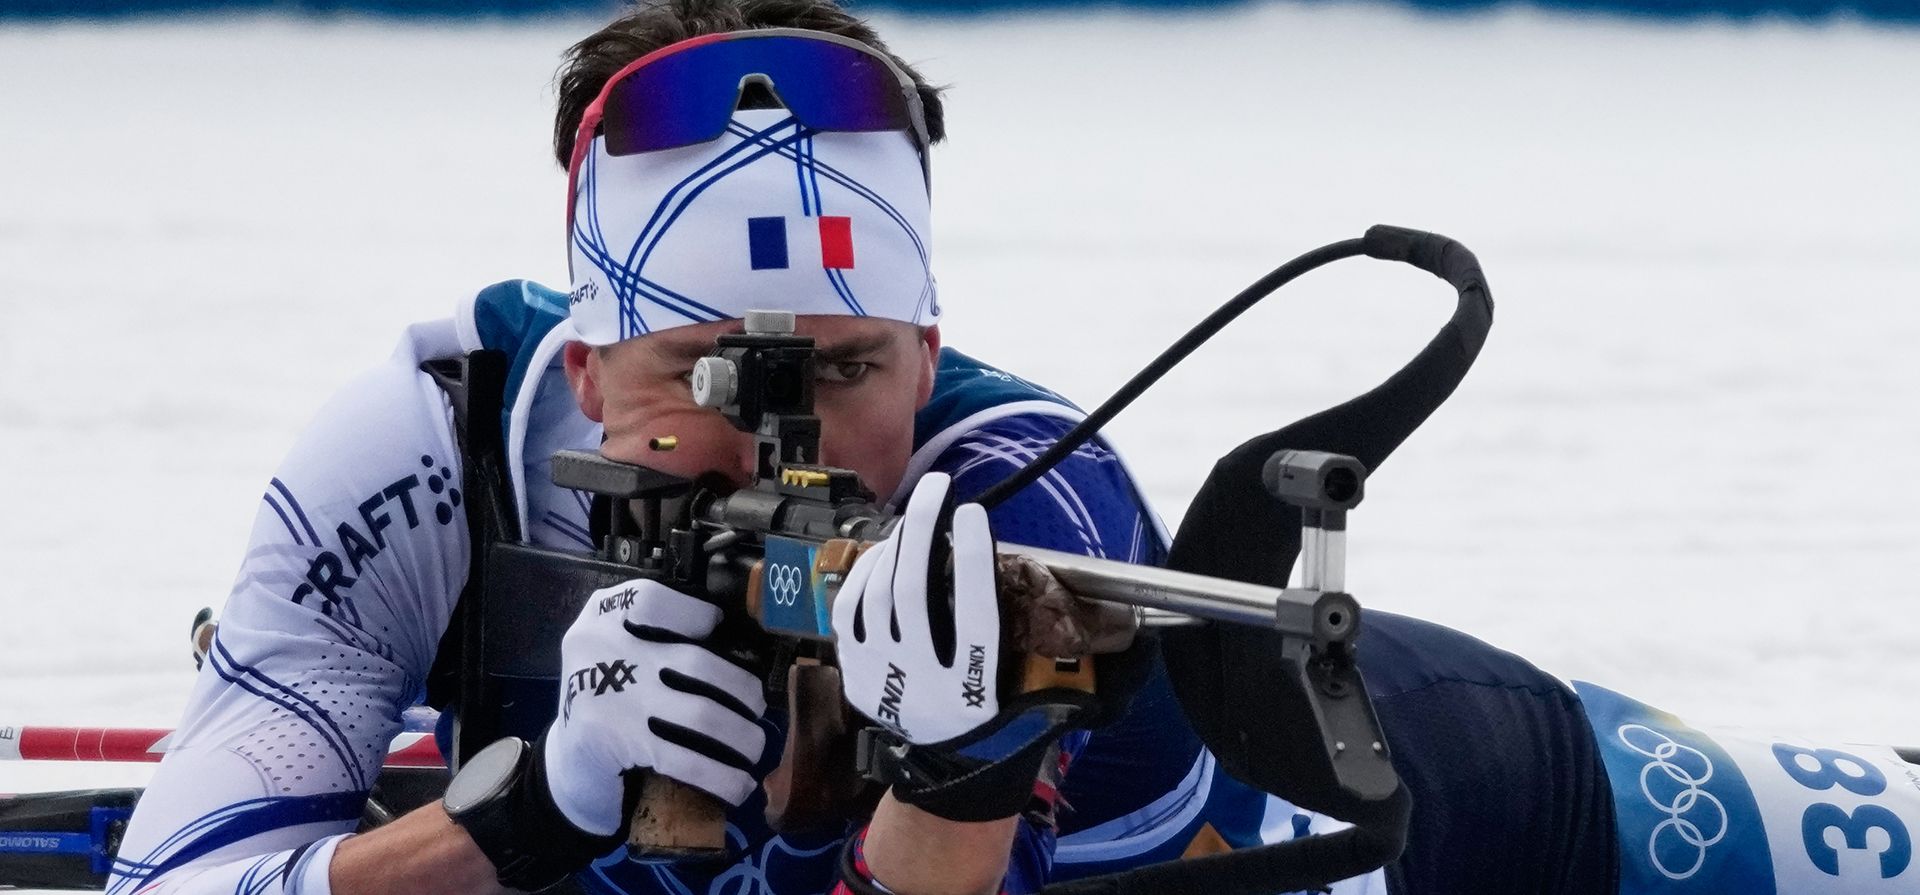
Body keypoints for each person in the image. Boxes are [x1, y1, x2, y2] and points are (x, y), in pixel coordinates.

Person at [105, 2, 1920, 894]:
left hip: (1464, 814)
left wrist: (962, 782)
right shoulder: (417, 442)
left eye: (851, 363)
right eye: (707, 373)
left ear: (936, 350)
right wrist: (528, 808)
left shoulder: (1040, 499)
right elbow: (171, 882)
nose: (786, 437)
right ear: (585, 367)